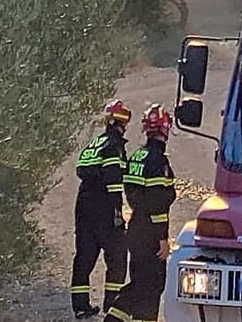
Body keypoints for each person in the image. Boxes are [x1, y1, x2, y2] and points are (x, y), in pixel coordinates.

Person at [104, 104, 177, 322]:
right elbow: (157, 204)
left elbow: (134, 194)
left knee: (142, 284)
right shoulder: (158, 161)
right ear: (165, 130)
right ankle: (113, 319)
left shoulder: (136, 157)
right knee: (150, 285)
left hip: (135, 228)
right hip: (150, 234)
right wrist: (162, 239)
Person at [71, 99, 132, 319]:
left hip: (84, 207)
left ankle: (80, 306)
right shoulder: (114, 146)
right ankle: (111, 305)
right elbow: (114, 183)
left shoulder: (94, 144)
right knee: (117, 257)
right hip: (105, 209)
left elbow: (81, 170)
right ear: (122, 123)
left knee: (84, 257)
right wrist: (118, 212)